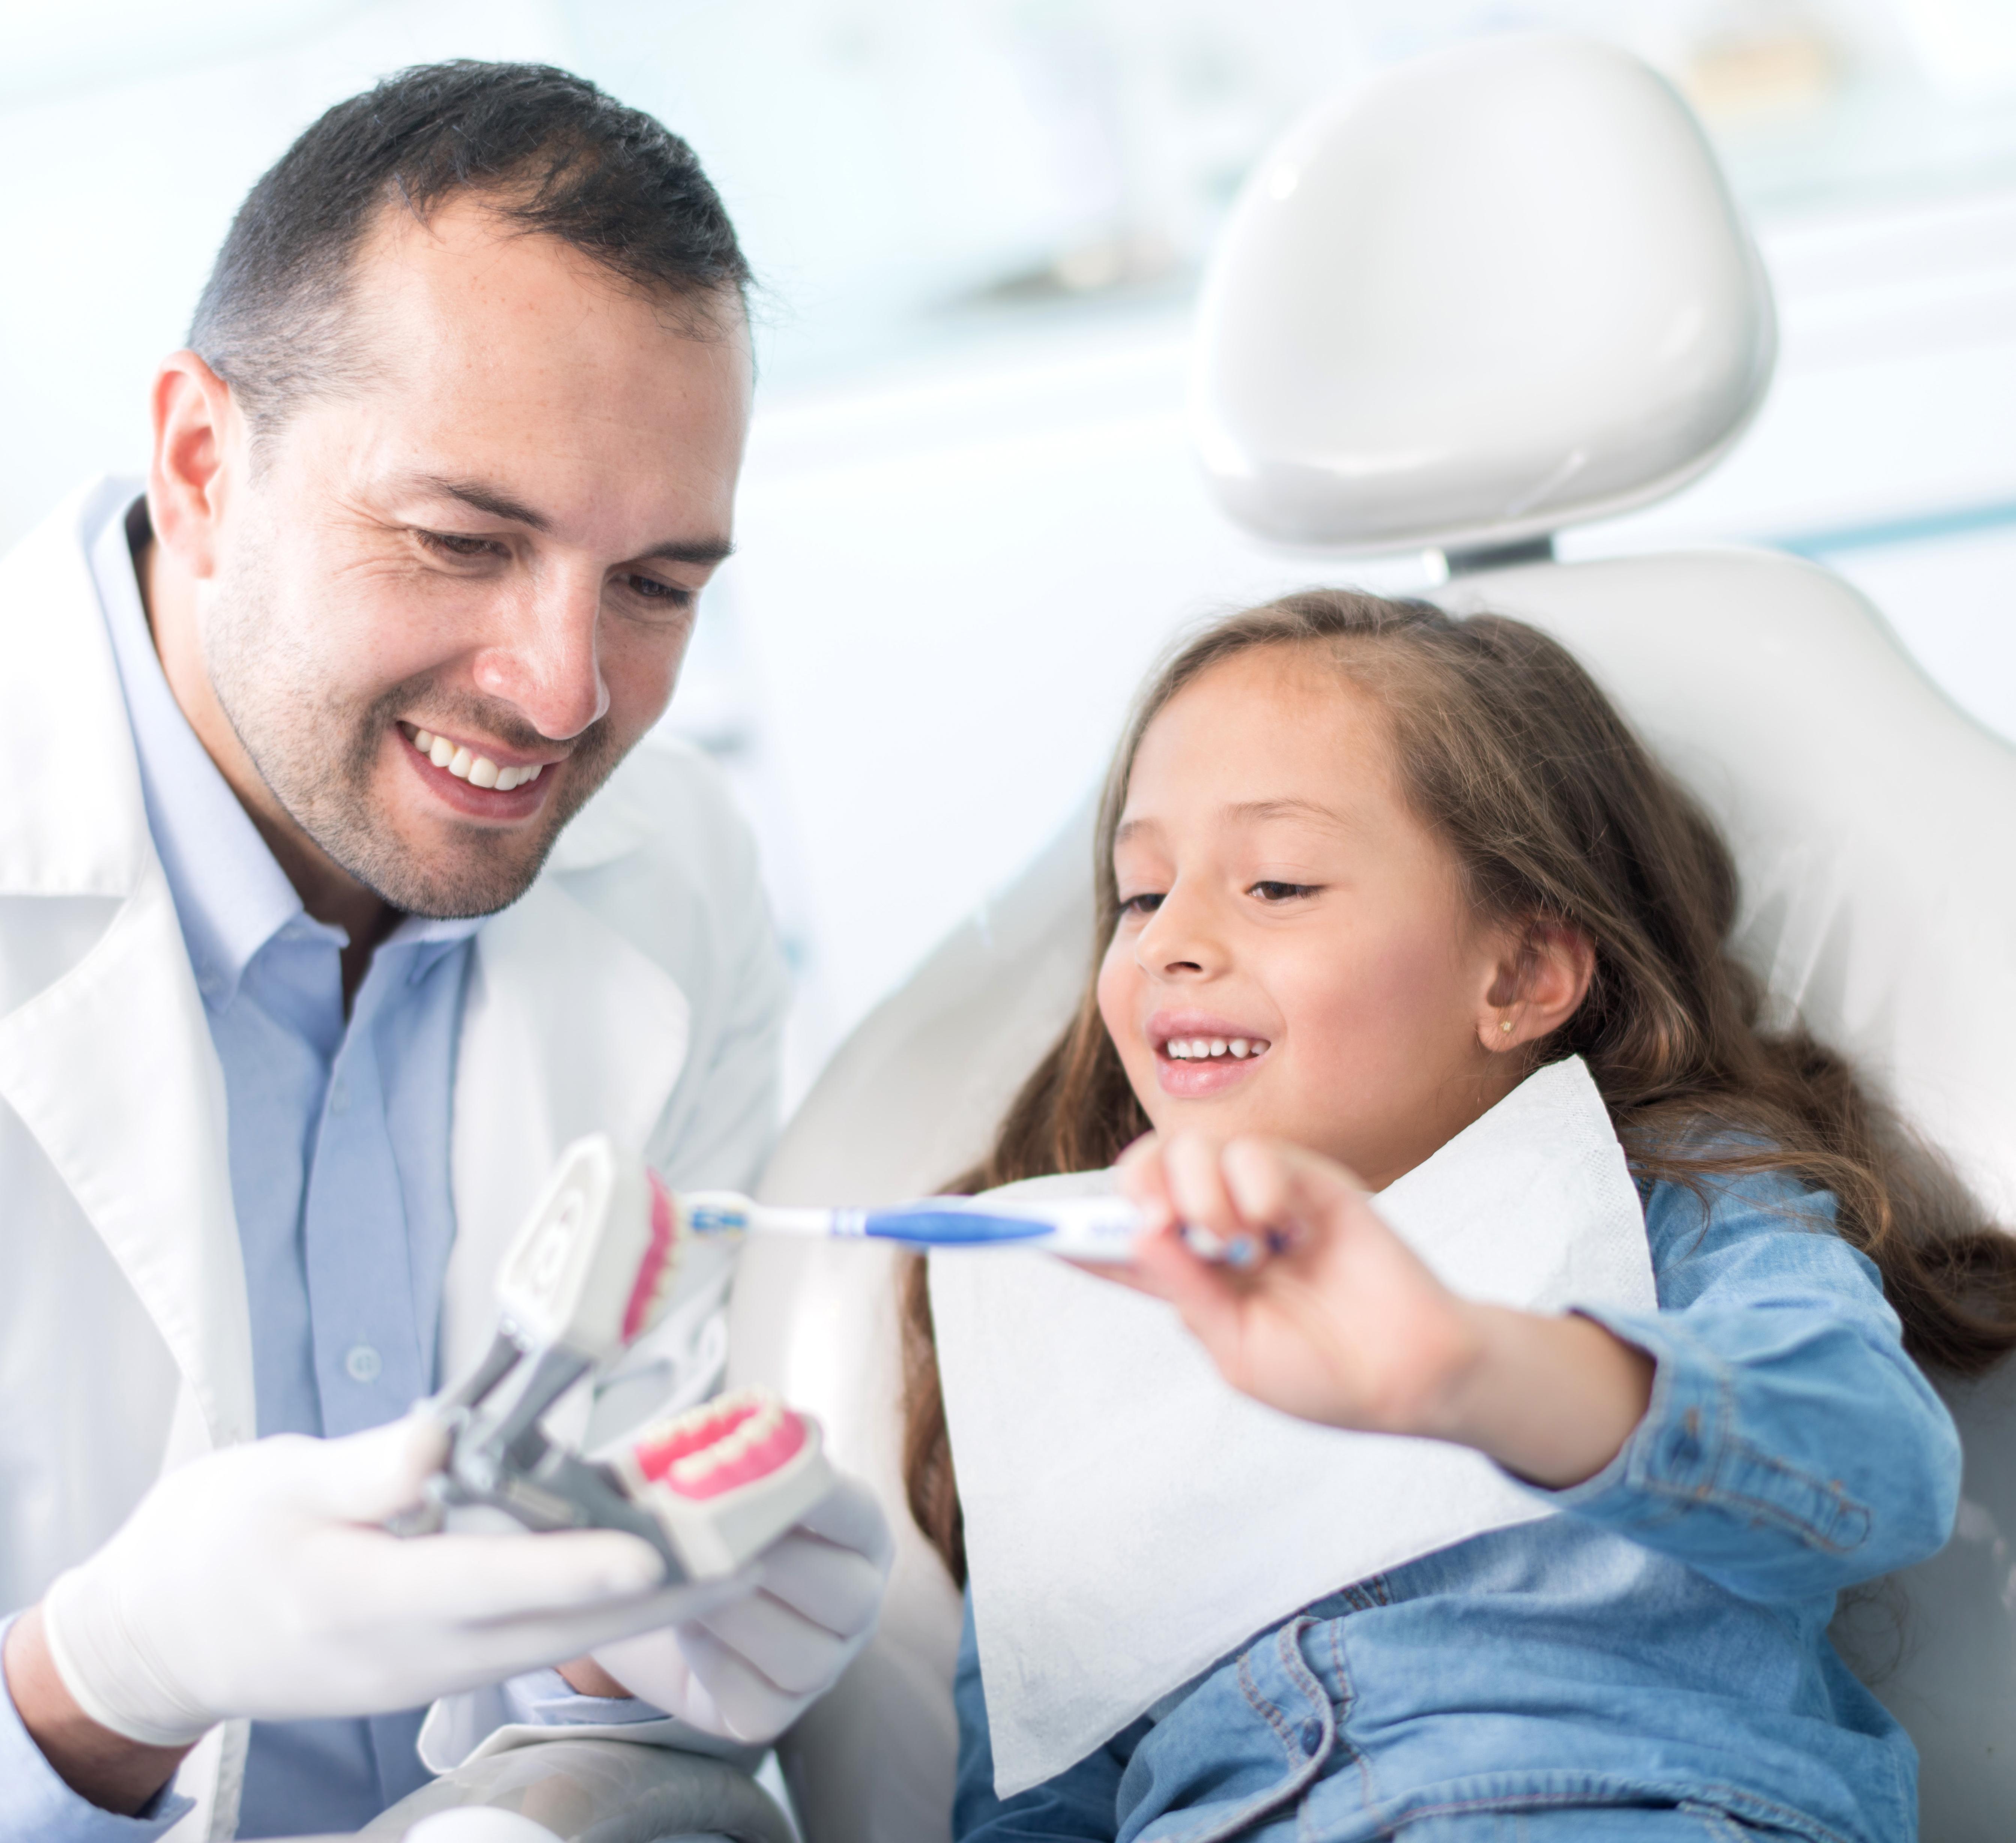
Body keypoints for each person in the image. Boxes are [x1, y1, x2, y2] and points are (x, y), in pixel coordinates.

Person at [0, 61, 891, 1840]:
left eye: (655, 587)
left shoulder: (674, 876)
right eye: (462, 541)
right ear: (201, 464)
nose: (564, 691)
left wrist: (621, 1668)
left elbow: (589, 1624)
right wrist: (87, 1691)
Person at [901, 589, 2016, 1843]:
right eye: (1142, 897)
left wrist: (1467, 1368)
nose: (1174, 943)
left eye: (1276, 883)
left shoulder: (1677, 1190)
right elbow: (1036, 1802)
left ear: (1523, 973)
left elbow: (1875, 1471)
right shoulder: (1078, 1321)